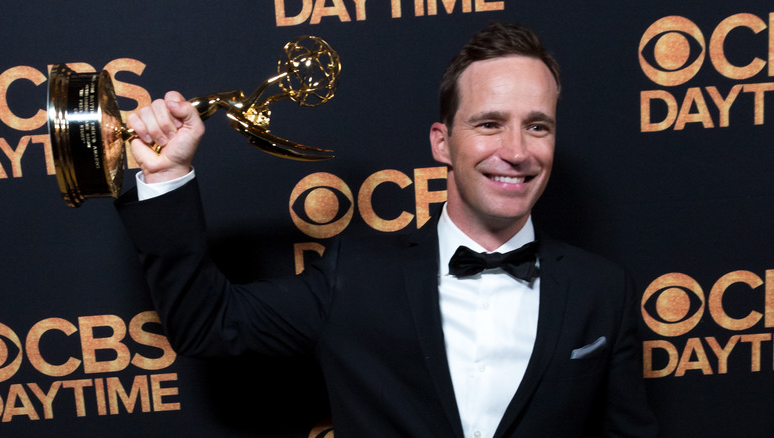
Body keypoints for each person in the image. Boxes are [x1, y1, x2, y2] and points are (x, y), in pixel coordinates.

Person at [116, 22, 658, 437]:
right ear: (442, 143)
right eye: (489, 123)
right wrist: (168, 178)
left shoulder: (602, 291)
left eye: (537, 126)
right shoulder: (358, 275)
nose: (515, 152)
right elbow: (206, 323)